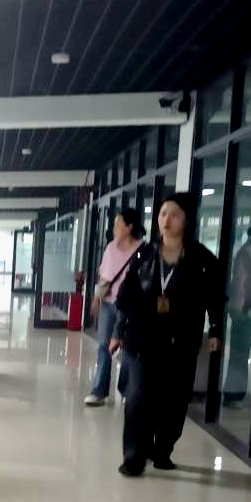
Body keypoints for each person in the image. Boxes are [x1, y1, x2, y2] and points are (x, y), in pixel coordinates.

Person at [111, 192, 224, 477]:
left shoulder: (201, 259)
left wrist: (215, 329)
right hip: (142, 339)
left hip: (180, 343)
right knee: (137, 399)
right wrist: (118, 331)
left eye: (174, 215)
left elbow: (214, 298)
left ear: (186, 220)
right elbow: (126, 296)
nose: (167, 220)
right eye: (163, 214)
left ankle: (162, 449)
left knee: (173, 403)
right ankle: (133, 457)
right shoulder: (144, 255)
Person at [84, 208, 145, 407]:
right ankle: (99, 391)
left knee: (127, 347)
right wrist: (96, 297)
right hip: (108, 303)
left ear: (129, 227)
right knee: (103, 346)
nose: (114, 228)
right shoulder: (110, 248)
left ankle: (127, 390)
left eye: (119, 224)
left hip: (129, 307)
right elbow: (104, 276)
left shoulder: (142, 250)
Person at [224, 215, 251, 408]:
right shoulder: (248, 251)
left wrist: (236, 310)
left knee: (239, 355)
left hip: (248, 310)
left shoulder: (247, 250)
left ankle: (234, 396)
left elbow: (240, 283)